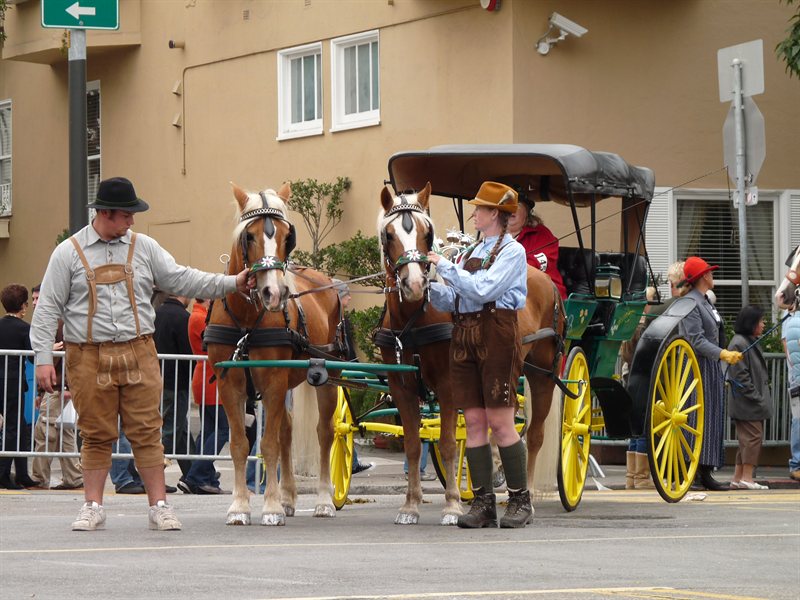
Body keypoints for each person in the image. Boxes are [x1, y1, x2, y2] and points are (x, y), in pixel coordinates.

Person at [30, 177, 252, 531]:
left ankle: (159, 506)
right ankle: (92, 506)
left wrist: (231, 282)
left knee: (148, 432)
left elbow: (182, 279)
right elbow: (46, 311)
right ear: (104, 213)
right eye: (126, 215)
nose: (132, 221)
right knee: (96, 433)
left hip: (139, 351)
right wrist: (42, 358)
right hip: (87, 356)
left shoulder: (145, 247)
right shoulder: (68, 253)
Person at [427, 181, 531, 529]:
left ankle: (520, 500)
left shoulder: (512, 251)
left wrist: (445, 267)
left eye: (480, 209)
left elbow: (485, 289)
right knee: (472, 422)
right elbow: (454, 299)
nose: (473, 213)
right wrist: (424, 286)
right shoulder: (468, 251)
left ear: (494, 215)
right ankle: (483, 501)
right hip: (464, 333)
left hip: (496, 332)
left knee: (500, 422)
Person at [678, 256, 743, 491]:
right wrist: (722, 353)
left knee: (713, 416)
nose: (712, 276)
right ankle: (693, 471)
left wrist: (721, 355)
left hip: (711, 366)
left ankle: (706, 470)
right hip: (698, 367)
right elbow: (695, 340)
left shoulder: (705, 301)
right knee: (698, 417)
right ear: (703, 277)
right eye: (710, 272)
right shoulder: (691, 303)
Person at [30, 284, 84, 490]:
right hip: (55, 387)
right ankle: (73, 477)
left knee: (45, 431)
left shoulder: (58, 323)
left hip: (59, 388)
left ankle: (39, 477)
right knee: (64, 433)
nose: (35, 303)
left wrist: (68, 386)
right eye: (33, 299)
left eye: (38, 299)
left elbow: (69, 358)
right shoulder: (56, 321)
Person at [178, 297, 230, 495]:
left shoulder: (197, 315)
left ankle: (202, 476)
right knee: (222, 429)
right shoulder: (201, 317)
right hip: (211, 379)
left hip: (206, 377)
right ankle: (196, 475)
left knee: (209, 430)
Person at [331, 279, 375, 475]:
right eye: (347, 294)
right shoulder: (338, 319)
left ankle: (353, 460)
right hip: (338, 373)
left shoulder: (340, 318)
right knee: (342, 418)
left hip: (342, 371)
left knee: (344, 419)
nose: (350, 297)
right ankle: (353, 461)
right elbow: (347, 349)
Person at [726, 305, 772, 490]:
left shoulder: (744, 341)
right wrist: (757, 397)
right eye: (760, 321)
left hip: (748, 401)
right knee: (753, 439)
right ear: (751, 323)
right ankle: (747, 478)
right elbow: (740, 376)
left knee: (745, 441)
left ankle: (738, 478)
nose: (763, 324)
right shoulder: (739, 343)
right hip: (748, 403)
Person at [0, 284, 39, 489]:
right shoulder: (25, 328)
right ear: (23, 305)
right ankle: (4, 474)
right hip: (13, 382)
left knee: (18, 427)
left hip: (1, 381)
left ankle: (22, 473)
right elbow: (32, 357)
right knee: (14, 428)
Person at [154, 292, 194, 479]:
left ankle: (193, 474)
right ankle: (153, 474)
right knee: (171, 428)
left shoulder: (156, 313)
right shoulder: (183, 317)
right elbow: (189, 352)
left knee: (180, 428)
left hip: (158, 378)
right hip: (177, 382)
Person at [506, 188, 566, 300]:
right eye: (506, 205)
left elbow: (538, 263)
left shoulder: (541, 233)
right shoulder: (493, 236)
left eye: (517, 204)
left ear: (527, 212)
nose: (511, 209)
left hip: (545, 294)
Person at [781, 310, 800, 482]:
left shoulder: (791, 322)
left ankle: (796, 464)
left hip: (795, 378)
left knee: (798, 420)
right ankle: (796, 464)